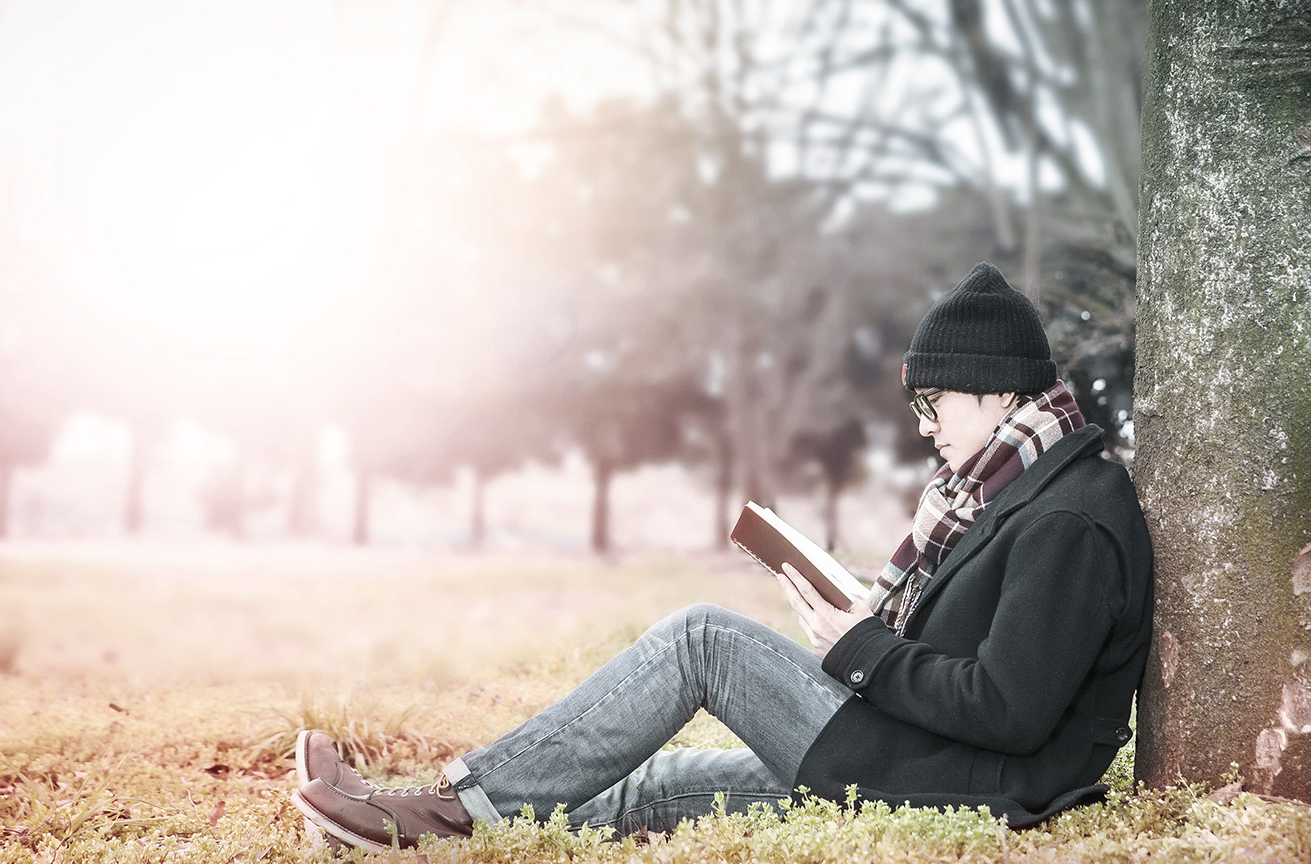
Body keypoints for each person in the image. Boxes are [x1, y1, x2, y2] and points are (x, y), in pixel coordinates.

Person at [290, 262, 1153, 853]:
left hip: (966, 783)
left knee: (703, 638)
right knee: (648, 786)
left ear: (999, 388)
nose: (923, 425)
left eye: (933, 402)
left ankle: (442, 811)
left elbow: (1011, 710)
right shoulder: (1013, 489)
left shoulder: (1069, 518)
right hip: (912, 749)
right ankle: (393, 823)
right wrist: (859, 625)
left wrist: (860, 648)